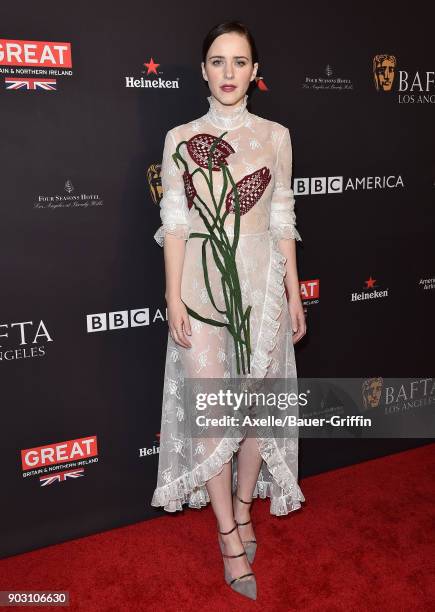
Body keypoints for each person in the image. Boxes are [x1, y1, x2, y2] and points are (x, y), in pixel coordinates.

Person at [151, 20, 306, 601]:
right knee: (213, 414)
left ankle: (244, 509)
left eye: (240, 62)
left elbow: (284, 219)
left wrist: (292, 292)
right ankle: (227, 536)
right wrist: (173, 298)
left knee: (254, 414)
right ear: (203, 70)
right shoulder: (179, 138)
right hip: (201, 292)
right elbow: (175, 225)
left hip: (259, 292)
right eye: (218, 61)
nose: (228, 73)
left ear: (256, 72)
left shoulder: (277, 136)